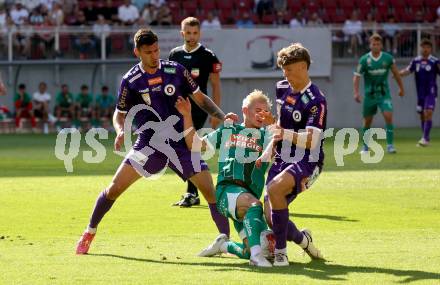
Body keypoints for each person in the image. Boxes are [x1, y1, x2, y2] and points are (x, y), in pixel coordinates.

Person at [76, 28, 231, 255]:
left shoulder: (176, 70)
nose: (154, 55)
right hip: (149, 143)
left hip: (181, 142)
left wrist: (221, 116)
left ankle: (225, 242)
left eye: (157, 50)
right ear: (137, 51)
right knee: (114, 189)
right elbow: (119, 113)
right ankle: (89, 232)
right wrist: (121, 130)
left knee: (210, 192)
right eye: (149, 52)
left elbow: (200, 98)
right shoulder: (131, 80)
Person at [176, 90, 276, 267]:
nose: (262, 115)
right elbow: (195, 145)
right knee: (254, 208)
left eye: (266, 111)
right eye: (258, 110)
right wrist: (187, 115)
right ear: (245, 110)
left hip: (247, 199)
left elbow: (280, 147)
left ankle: (224, 246)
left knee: (265, 247)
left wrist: (274, 125)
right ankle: (256, 257)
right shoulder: (228, 130)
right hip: (226, 192)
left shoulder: (268, 137)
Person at [262, 43, 326, 266]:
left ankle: (280, 253)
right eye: (283, 69)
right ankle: (303, 240)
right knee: (270, 216)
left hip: (309, 160)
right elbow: (281, 124)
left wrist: (283, 133)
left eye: (288, 69)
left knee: (275, 188)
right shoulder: (282, 88)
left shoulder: (317, 100)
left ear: (302, 67)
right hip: (283, 156)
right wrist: (270, 147)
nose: (285, 74)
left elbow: (312, 140)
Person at [169, 17, 223, 207]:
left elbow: (216, 86)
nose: (191, 36)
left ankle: (192, 193)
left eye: (195, 33)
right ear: (182, 33)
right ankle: (195, 191)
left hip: (198, 109)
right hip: (178, 109)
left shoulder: (208, 56)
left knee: (190, 147)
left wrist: (216, 114)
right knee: (183, 148)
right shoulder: (174, 55)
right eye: (188, 32)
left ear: (199, 33)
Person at [354, 33, 404, 154]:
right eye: (373, 44)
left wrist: (401, 88)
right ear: (370, 45)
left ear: (381, 45)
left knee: (388, 116)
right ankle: (365, 146)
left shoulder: (388, 58)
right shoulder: (364, 59)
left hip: (383, 94)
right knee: (367, 121)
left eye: (378, 44)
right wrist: (356, 93)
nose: (376, 46)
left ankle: (390, 145)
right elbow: (356, 77)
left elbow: (396, 73)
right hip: (369, 96)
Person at [399, 39, 439, 146]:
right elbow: (408, 70)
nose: (425, 49)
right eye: (423, 47)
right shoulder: (416, 61)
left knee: (428, 112)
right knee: (422, 115)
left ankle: (425, 138)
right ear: (420, 48)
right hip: (420, 93)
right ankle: (426, 138)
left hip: (431, 91)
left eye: (427, 47)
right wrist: (398, 74)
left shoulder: (435, 61)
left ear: (431, 49)